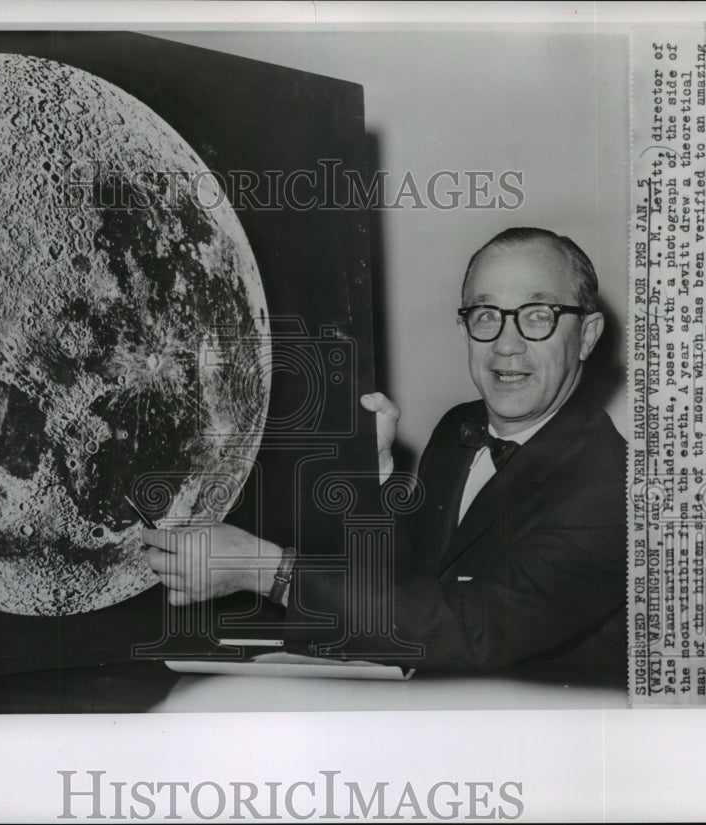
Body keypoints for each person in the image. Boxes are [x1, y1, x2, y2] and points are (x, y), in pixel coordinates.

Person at [143, 227, 626, 678]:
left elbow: (474, 630)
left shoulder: (614, 485)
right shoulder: (461, 427)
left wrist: (260, 569)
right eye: (486, 315)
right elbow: (414, 582)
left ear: (586, 336)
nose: (506, 344)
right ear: (465, 331)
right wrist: (375, 473)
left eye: (538, 316)